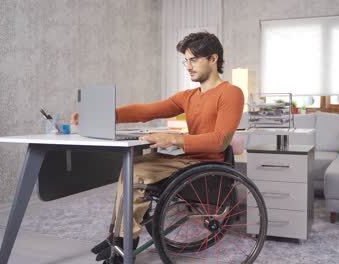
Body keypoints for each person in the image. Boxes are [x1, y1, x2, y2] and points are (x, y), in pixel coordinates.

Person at [71, 31, 244, 263]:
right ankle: (116, 236)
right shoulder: (189, 96)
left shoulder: (231, 93)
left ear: (213, 59)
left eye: (194, 60)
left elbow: (220, 140)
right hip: (188, 158)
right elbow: (147, 111)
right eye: (186, 60)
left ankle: (125, 244)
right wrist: (101, 114)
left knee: (138, 173)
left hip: (206, 164)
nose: (188, 66)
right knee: (131, 165)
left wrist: (174, 139)